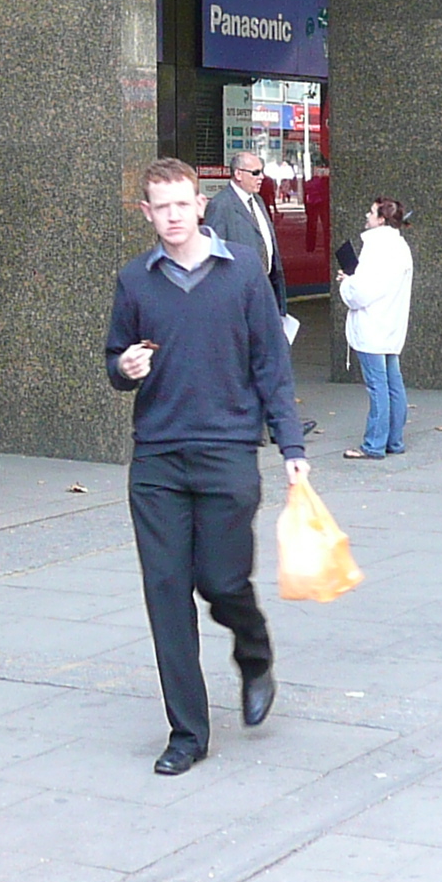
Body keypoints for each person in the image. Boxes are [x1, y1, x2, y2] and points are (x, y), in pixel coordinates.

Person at [106, 158, 310, 776]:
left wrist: (292, 449)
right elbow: (115, 357)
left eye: (181, 204)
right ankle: (187, 733)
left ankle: (254, 652)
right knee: (166, 590)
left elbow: (271, 364)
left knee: (221, 582)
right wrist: (125, 368)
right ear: (146, 213)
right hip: (159, 459)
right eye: (158, 207)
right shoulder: (134, 281)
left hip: (227, 453)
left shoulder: (242, 271)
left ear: (200, 205)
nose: (171, 216)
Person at [338, 197, 413, 460]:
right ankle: (394, 440)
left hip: (372, 324)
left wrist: (348, 283)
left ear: (381, 219)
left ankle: (374, 444)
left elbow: (362, 292)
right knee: (393, 383)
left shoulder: (376, 247)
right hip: (391, 323)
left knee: (377, 386)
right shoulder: (400, 245)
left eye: (370, 212)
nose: (366, 216)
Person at [202, 149, 288, 309]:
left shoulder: (258, 201)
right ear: (238, 174)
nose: (261, 177)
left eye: (262, 172)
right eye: (255, 173)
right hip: (238, 296)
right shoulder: (220, 205)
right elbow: (212, 257)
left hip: (266, 289)